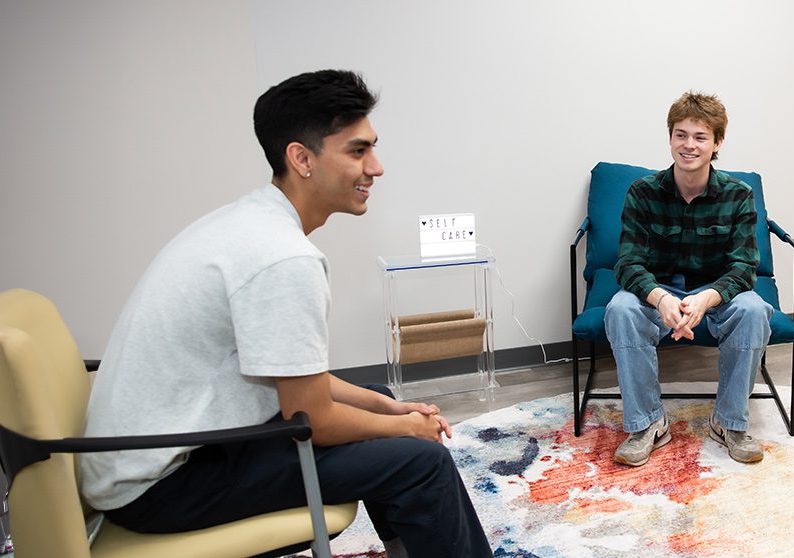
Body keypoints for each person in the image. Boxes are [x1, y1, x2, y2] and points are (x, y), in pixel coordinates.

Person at [79, 70, 492, 558]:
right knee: (421, 462)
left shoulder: (249, 222)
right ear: (302, 159)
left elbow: (297, 381)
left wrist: (388, 409)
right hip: (161, 485)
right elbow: (313, 418)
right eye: (358, 151)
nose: (376, 167)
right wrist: (407, 428)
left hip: (153, 457)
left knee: (379, 400)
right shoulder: (283, 258)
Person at [605, 91, 772, 467]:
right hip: (659, 292)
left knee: (754, 309)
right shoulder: (642, 192)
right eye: (681, 135)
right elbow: (628, 263)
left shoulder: (738, 195)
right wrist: (661, 298)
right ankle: (648, 425)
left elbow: (744, 267)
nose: (689, 145)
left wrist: (706, 298)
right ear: (670, 138)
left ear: (717, 143)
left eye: (700, 137)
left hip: (715, 294)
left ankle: (729, 423)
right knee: (620, 308)